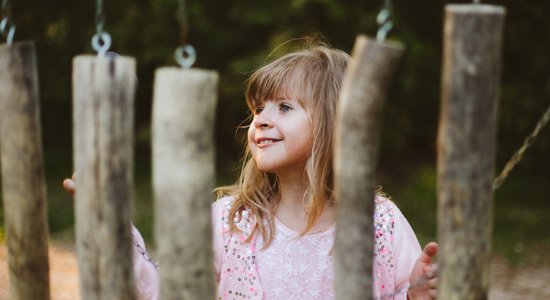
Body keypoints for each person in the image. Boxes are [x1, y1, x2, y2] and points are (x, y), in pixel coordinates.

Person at [64, 41, 438, 300]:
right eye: (258, 109)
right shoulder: (229, 224)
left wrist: (418, 294)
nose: (261, 120)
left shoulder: (380, 225)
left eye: (284, 108)